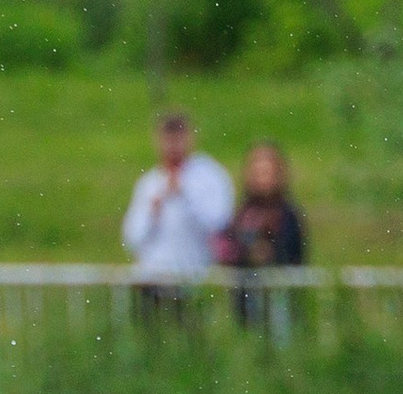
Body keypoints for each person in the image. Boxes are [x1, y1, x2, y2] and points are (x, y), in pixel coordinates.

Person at [120, 109, 235, 282]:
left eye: (179, 136)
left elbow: (220, 223)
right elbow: (131, 238)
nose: (173, 144)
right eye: (168, 138)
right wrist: (153, 212)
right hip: (153, 277)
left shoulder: (210, 175)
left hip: (196, 277)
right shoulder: (149, 182)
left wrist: (185, 196)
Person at [227, 142, 307, 273]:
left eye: (266, 173)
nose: (261, 180)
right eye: (257, 173)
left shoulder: (288, 215)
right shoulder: (243, 214)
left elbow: (295, 256)